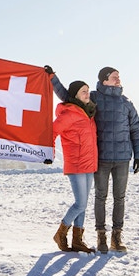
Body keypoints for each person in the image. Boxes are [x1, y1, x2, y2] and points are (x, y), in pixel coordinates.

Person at [45, 65, 139, 253]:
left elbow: (135, 130)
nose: (118, 79)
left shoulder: (126, 103)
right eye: (115, 76)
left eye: (119, 76)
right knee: (100, 197)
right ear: (104, 79)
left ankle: (116, 237)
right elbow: (68, 97)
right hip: (102, 159)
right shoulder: (94, 99)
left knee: (119, 198)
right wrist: (52, 78)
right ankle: (101, 237)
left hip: (122, 158)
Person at [52, 80, 98, 253]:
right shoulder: (69, 114)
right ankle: (60, 233)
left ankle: (77, 241)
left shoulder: (88, 112)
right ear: (75, 95)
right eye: (83, 91)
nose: (87, 94)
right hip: (76, 164)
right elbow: (52, 131)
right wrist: (50, 154)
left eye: (88, 90)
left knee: (84, 204)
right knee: (80, 204)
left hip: (89, 164)